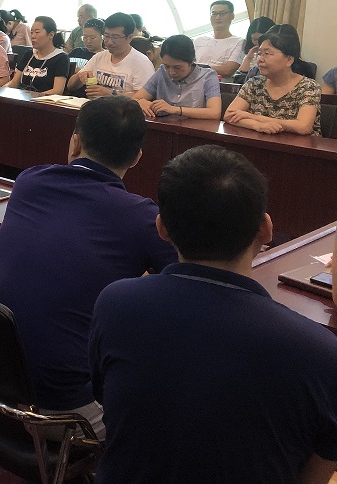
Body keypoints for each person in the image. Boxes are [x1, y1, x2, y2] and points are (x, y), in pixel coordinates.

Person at [89, 145, 337, 483]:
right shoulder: (318, 352)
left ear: (161, 228)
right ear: (265, 229)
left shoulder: (115, 304)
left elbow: (107, 400)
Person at [0, 97, 178, 438]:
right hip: (62, 414)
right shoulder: (142, 217)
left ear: (74, 142)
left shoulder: (29, 180)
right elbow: (189, 278)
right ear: (137, 157)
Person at [224, 23, 321, 135]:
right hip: (261, 142)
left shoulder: (308, 87)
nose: (260, 60)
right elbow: (229, 115)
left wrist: (253, 117)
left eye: (267, 54)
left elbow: (303, 127)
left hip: (299, 145)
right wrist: (258, 125)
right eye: (259, 54)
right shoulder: (255, 83)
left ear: (289, 60)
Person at [134, 34, 222, 120]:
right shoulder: (161, 72)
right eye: (167, 66)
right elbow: (136, 98)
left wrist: (175, 110)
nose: (171, 72)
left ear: (192, 61)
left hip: (195, 127)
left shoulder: (208, 76)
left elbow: (214, 112)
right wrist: (141, 102)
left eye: (177, 67)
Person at [65, 12, 154, 97]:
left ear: (130, 37)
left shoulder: (142, 63)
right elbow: (70, 86)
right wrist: (80, 76)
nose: (109, 42)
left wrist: (111, 94)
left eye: (115, 37)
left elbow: (143, 97)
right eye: (106, 36)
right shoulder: (99, 57)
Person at [3, 15, 69, 95]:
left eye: (37, 32)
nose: (33, 36)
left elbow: (58, 90)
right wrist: (3, 89)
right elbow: (14, 82)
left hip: (42, 101)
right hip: (22, 98)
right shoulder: (29, 54)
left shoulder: (61, 58)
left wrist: (34, 98)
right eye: (31, 32)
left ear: (51, 35)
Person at [193, 0, 244, 78]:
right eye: (214, 14)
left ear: (232, 16)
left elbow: (228, 70)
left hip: (220, 84)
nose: (217, 17)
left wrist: (196, 68)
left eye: (222, 13)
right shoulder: (199, 40)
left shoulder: (239, 42)